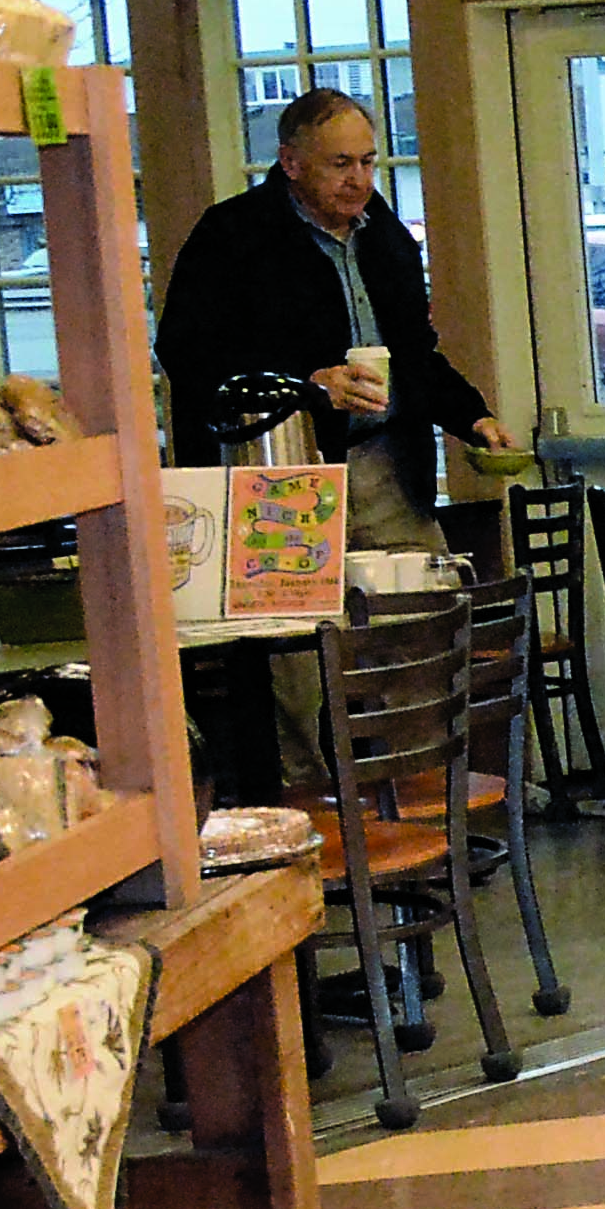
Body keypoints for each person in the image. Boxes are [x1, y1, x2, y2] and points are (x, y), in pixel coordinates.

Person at [154, 86, 514, 794]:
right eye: (339, 164)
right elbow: (188, 355)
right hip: (280, 469)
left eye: (369, 162)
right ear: (290, 162)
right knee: (291, 661)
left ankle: (421, 801)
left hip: (383, 461)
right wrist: (308, 382)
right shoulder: (232, 236)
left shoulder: (384, 235)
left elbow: (416, 351)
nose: (358, 180)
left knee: (422, 623)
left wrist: (471, 416)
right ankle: (309, 810)